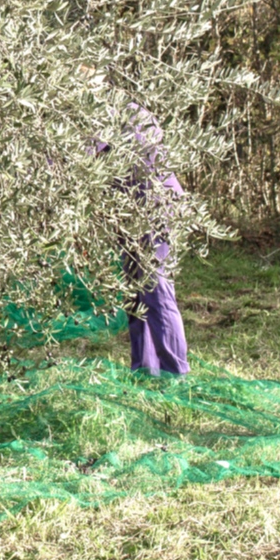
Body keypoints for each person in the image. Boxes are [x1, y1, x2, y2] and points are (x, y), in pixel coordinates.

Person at [94, 103, 189, 377]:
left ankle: (175, 372)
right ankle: (145, 370)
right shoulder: (119, 110)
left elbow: (90, 161)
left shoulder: (113, 113)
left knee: (156, 289)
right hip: (135, 211)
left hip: (152, 208)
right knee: (136, 292)